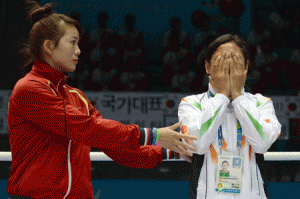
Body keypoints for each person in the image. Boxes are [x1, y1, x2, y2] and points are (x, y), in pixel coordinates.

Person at [7, 1, 198, 198]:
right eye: (72, 42)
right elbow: (85, 128)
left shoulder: (76, 97)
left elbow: (116, 147)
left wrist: (175, 152)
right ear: (48, 46)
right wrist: (154, 135)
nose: (79, 50)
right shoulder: (29, 89)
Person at [178, 34, 281, 199]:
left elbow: (262, 144)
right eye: (221, 60)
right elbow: (198, 144)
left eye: (234, 60)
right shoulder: (191, 104)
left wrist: (238, 97)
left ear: (246, 66)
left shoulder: (261, 103)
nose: (228, 65)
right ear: (207, 67)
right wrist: (222, 95)